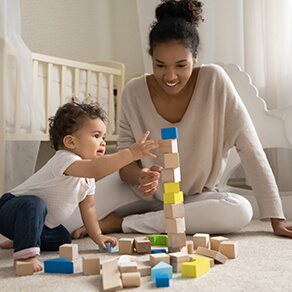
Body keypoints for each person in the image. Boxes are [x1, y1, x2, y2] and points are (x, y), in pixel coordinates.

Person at [73, 0, 292, 239]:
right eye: (160, 65)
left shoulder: (214, 81)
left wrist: (277, 219)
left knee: (240, 211)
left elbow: (250, 149)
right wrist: (140, 177)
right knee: (62, 221)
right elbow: (125, 163)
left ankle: (125, 224)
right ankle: (154, 218)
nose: (170, 76)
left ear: (195, 58)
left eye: (181, 65)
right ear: (151, 58)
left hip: (196, 199)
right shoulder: (133, 91)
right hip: (140, 194)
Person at [0, 102, 158, 273]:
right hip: (11, 209)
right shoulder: (64, 159)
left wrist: (97, 236)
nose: (103, 143)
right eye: (96, 136)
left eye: (103, 137)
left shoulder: (87, 179)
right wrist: (131, 154)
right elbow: (98, 168)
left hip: (41, 224)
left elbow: (89, 208)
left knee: (63, 237)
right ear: (70, 142)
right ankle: (25, 256)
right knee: (34, 204)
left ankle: (23, 237)